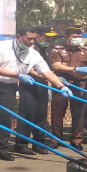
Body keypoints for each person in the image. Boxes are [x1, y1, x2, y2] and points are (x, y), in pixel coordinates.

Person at [0, 26, 73, 161]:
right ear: (18, 36)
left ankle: (0, 149)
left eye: (33, 39)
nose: (31, 42)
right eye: (28, 39)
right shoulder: (0, 47)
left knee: (6, 116)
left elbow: (46, 72)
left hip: (10, 84)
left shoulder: (32, 53)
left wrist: (61, 86)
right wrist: (18, 75)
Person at [50, 27, 87, 150]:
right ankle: (56, 139)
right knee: (57, 112)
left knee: (79, 113)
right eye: (74, 36)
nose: (77, 39)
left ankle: (76, 140)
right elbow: (56, 66)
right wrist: (75, 69)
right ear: (66, 37)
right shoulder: (57, 50)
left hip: (80, 84)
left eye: (79, 36)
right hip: (61, 84)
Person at [13, 25, 58, 155]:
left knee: (41, 115)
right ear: (38, 36)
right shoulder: (30, 49)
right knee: (27, 114)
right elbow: (30, 69)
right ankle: (21, 144)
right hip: (29, 84)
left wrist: (52, 78)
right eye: (46, 37)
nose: (49, 40)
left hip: (42, 84)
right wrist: (49, 76)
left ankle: (39, 142)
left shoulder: (46, 49)